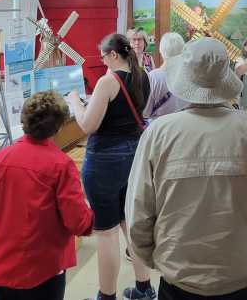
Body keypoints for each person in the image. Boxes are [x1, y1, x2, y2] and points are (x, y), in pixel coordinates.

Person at [125, 37, 247, 300]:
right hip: (245, 277)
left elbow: (138, 212)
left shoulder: (158, 134)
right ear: (225, 79)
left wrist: (157, 260)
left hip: (179, 278)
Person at [0, 91, 93, 300]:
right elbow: (77, 222)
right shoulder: (61, 165)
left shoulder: (2, 157)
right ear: (58, 127)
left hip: (4, 264)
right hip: (44, 268)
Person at [67, 33, 155, 300]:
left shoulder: (108, 82)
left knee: (105, 234)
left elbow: (87, 125)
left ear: (113, 55)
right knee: (130, 224)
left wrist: (74, 102)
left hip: (105, 161)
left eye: (104, 57)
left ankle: (106, 296)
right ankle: (144, 288)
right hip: (133, 156)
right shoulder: (143, 77)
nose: (103, 61)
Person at [144, 32, 188, 119]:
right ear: (182, 51)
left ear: (161, 50)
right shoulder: (189, 76)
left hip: (159, 127)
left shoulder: (153, 77)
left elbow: (146, 112)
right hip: (184, 126)